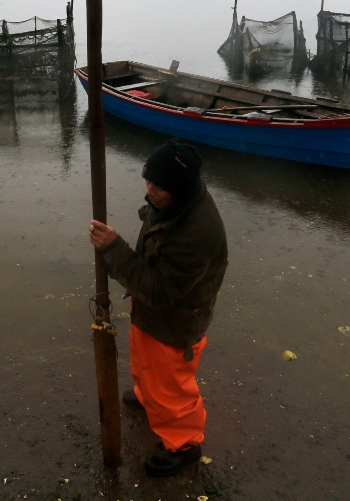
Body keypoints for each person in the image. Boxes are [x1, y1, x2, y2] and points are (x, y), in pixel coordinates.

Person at [88, 138, 228, 477]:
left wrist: (114, 250)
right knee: (143, 360)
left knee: (172, 388)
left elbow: (162, 292)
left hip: (175, 322)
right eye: (147, 181)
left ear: (177, 188)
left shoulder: (197, 232)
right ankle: (147, 393)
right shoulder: (173, 200)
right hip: (150, 313)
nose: (149, 191)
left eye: (157, 186)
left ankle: (185, 445)